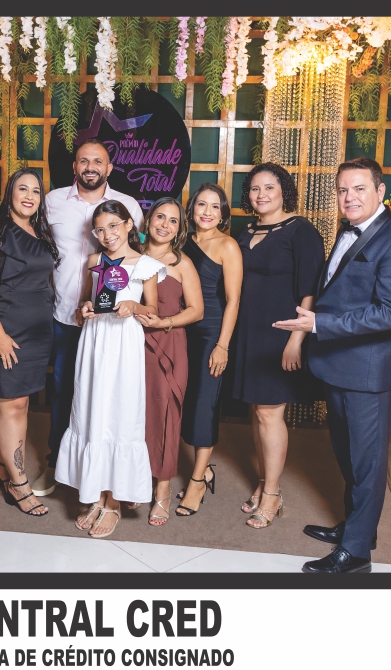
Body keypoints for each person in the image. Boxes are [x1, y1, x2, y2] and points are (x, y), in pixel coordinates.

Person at [274, 157, 391, 573]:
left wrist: (319, 324)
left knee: (367, 464)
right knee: (349, 457)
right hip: (338, 367)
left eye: (359, 188)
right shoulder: (347, 230)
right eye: (343, 190)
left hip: (368, 373)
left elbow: (390, 313)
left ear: (380, 191)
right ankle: (359, 529)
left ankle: (356, 553)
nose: (349, 197)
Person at [35, 139, 144, 496]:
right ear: (74, 167)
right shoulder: (52, 202)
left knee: (110, 396)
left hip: (114, 326)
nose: (90, 167)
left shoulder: (128, 206)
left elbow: (141, 257)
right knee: (63, 392)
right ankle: (57, 464)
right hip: (66, 314)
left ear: (109, 168)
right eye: (84, 161)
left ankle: (109, 474)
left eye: (98, 161)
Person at [55, 200, 166, 538]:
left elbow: (153, 311)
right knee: (92, 412)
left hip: (124, 345)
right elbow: (82, 307)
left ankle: (114, 501)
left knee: (119, 413)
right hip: (94, 342)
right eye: (100, 229)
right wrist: (85, 309)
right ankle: (95, 496)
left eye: (114, 226)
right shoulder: (94, 262)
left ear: (129, 225)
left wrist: (134, 305)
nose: (107, 235)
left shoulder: (145, 265)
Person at [233, 163, 325, 529]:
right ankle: (263, 482)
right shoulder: (246, 230)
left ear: (284, 190)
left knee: (270, 414)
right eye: (255, 188)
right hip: (248, 331)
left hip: (281, 333)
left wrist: (296, 340)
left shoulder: (301, 231)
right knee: (258, 413)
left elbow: (310, 290)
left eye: (269, 187)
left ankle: (272, 493)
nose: (261, 194)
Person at [0, 168, 60, 517]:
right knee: (13, 405)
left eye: (36, 191)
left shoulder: (40, 230)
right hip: (5, 330)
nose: (29, 196)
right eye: (23, 188)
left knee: (22, 404)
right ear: (10, 192)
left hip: (37, 331)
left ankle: (3, 467)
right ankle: (19, 484)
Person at [132, 197, 204, 526]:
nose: (165, 224)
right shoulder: (130, 256)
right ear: (148, 221)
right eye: (160, 217)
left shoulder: (182, 264)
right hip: (130, 344)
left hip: (168, 345)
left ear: (179, 229)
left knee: (164, 415)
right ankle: (134, 478)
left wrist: (165, 322)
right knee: (134, 413)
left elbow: (197, 310)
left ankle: (162, 489)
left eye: (173, 221)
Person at [177, 183, 243, 517]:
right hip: (181, 330)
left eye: (215, 206)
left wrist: (222, 345)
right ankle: (201, 472)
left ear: (223, 213)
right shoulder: (181, 242)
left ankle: (198, 480)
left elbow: (233, 300)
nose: (207, 212)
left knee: (205, 405)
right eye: (201, 204)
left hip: (211, 334)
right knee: (183, 402)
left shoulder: (227, 245)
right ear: (191, 209)